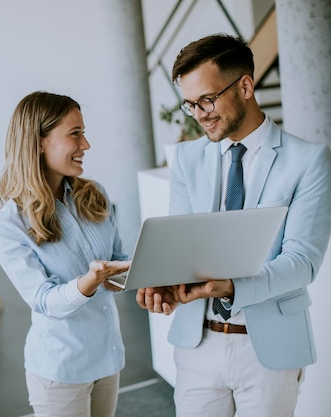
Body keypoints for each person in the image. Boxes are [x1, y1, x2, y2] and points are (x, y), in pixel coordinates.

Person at [136, 34, 331, 417]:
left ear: (245, 85)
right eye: (190, 104)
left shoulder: (308, 160)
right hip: (197, 343)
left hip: (268, 351)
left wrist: (232, 287)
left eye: (207, 100)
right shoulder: (188, 159)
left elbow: (302, 261)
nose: (199, 114)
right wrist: (163, 282)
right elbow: (181, 247)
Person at [0, 91, 131, 417]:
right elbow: (44, 300)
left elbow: (119, 260)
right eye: (75, 134)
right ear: (39, 142)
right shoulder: (8, 224)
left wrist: (149, 267)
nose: (86, 145)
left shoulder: (94, 196)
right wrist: (91, 280)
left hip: (107, 357)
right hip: (60, 370)